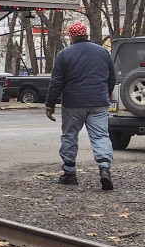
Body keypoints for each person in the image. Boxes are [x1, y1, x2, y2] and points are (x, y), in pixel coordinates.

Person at [45, 21, 117, 189]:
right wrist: (104, 94)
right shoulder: (102, 52)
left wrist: (50, 106)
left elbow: (56, 82)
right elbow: (112, 78)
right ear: (86, 34)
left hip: (73, 103)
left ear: (71, 36)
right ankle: (104, 168)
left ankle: (70, 173)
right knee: (101, 136)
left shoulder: (64, 54)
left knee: (70, 135)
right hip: (99, 102)